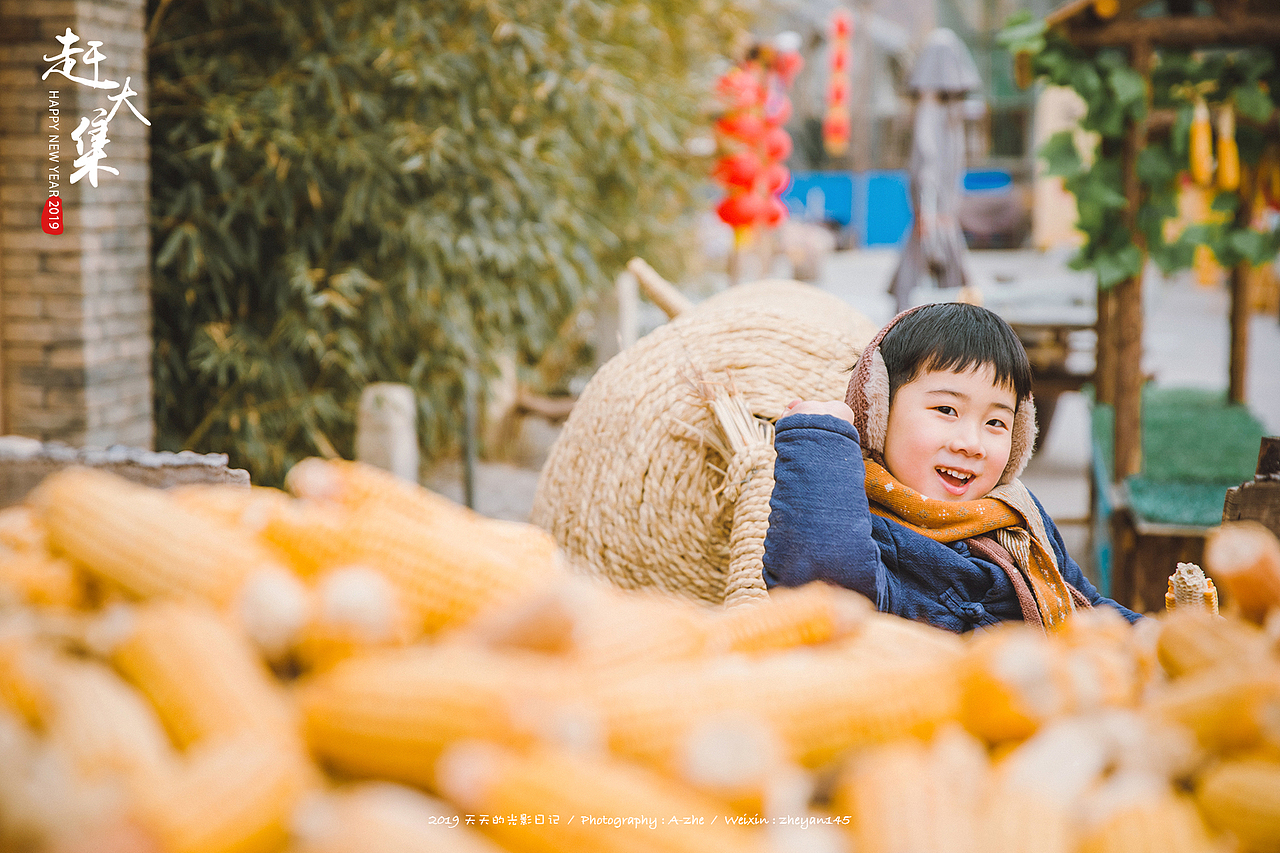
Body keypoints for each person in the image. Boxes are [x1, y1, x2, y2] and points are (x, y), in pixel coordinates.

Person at [762, 302, 1141, 632]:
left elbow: (1085, 605)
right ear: (877, 411)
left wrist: (1154, 636)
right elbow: (822, 591)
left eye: (996, 423)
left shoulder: (1016, 520)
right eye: (946, 410)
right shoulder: (857, 524)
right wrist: (820, 433)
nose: (971, 444)